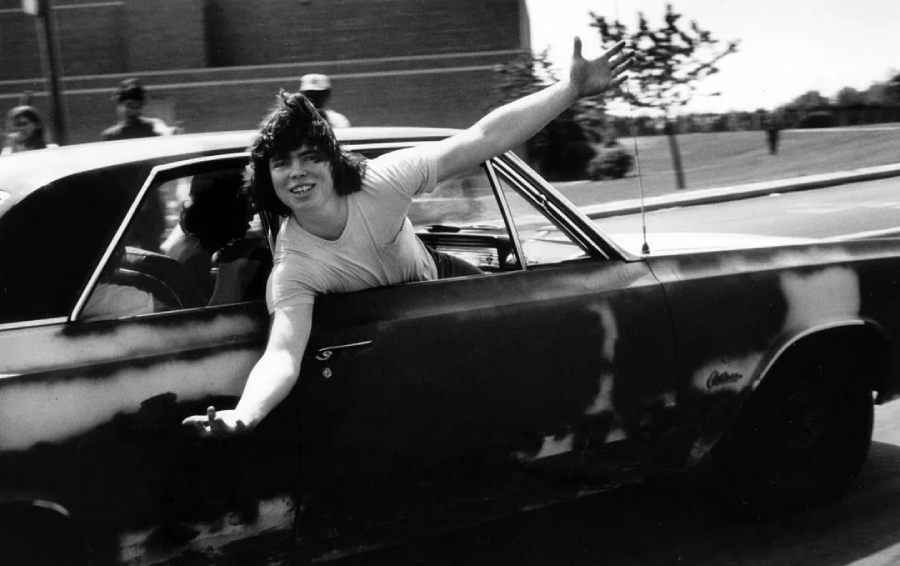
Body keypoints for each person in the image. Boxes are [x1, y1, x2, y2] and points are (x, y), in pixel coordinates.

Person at [183, 37, 633, 437]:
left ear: (332, 161)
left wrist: (570, 89)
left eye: (308, 157)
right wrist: (246, 413)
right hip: (394, 327)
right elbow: (282, 353)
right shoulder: (293, 266)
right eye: (282, 163)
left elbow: (483, 137)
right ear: (267, 179)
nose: (297, 172)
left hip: (443, 279)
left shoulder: (383, 180)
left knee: (521, 347)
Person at [101, 78, 169, 141]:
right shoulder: (110, 135)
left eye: (137, 107)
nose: (133, 111)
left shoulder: (153, 125)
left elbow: (163, 130)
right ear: (119, 105)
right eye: (129, 106)